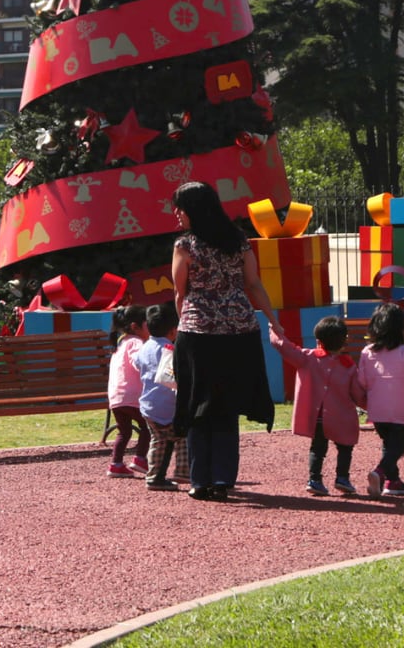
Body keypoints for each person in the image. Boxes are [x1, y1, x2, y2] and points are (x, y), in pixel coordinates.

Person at [170, 181, 280, 501]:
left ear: (193, 210)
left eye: (180, 207)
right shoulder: (238, 240)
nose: (177, 213)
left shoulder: (185, 245)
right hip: (239, 331)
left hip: (198, 334)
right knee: (226, 406)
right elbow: (253, 284)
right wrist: (273, 320)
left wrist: (183, 323)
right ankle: (222, 479)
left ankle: (199, 480)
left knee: (197, 406)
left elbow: (180, 291)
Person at [356, 304, 404, 498]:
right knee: (398, 446)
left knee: (389, 444)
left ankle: (393, 481)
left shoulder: (367, 352)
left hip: (376, 408)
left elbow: (362, 381)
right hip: (399, 407)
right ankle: (379, 471)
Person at [265, 319, 334, 491]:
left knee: (318, 448)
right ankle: (342, 477)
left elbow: (285, 347)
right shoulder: (345, 363)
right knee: (345, 446)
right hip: (339, 415)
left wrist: (274, 330)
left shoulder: (309, 358)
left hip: (318, 416)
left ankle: (314, 479)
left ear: (318, 341)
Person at [132, 303, 183, 491]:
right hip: (169, 405)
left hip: (149, 405)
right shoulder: (170, 349)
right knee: (182, 435)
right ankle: (184, 471)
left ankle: (155, 476)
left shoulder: (144, 347)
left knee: (159, 441)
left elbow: (136, 363)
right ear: (173, 330)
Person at [106, 305, 151, 478]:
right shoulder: (135, 342)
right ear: (135, 326)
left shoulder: (120, 343)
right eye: (147, 323)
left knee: (124, 432)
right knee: (148, 426)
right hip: (133, 396)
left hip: (116, 397)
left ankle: (116, 464)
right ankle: (140, 458)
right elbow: (137, 361)